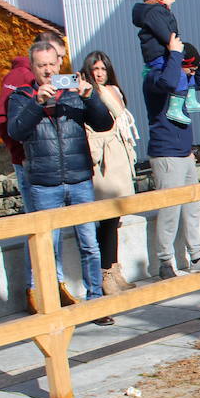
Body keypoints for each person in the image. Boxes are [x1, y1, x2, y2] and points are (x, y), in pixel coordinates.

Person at [6, 41, 116, 324]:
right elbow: (16, 131)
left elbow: (104, 124)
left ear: (60, 64)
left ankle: (95, 302)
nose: (47, 71)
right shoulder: (22, 96)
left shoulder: (73, 93)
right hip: (44, 183)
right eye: (41, 66)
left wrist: (90, 97)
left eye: (52, 65)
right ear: (33, 67)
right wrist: (37, 103)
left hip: (79, 178)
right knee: (47, 247)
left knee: (89, 243)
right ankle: (51, 306)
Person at [0, 30, 72, 311]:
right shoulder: (17, 78)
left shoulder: (53, 79)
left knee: (53, 227)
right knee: (38, 228)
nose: (58, 64)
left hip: (53, 163)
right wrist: (21, 154)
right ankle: (35, 287)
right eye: (56, 57)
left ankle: (56, 283)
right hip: (29, 163)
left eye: (59, 60)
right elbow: (3, 121)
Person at [143, 30, 200, 279]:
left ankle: (197, 255)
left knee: (191, 207)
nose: (192, 75)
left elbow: (199, 81)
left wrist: (197, 59)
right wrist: (174, 55)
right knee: (170, 210)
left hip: (185, 152)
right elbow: (169, 81)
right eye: (188, 68)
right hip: (165, 154)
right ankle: (165, 261)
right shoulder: (155, 78)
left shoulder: (183, 79)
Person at [80, 51, 139, 294]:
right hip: (105, 162)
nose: (100, 73)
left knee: (116, 218)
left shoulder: (114, 90)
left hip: (120, 158)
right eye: (95, 69)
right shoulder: (91, 93)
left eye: (103, 68)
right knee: (106, 217)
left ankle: (114, 268)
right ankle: (105, 273)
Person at [131, 0, 200, 125]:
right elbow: (164, 32)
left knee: (185, 68)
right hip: (159, 53)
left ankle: (189, 97)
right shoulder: (155, 12)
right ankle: (175, 108)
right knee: (177, 74)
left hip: (168, 50)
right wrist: (172, 45)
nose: (173, 1)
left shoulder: (160, 11)